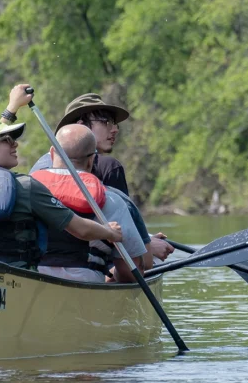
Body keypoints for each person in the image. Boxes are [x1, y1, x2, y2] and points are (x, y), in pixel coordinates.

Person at [0, 93, 123, 270]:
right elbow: (81, 229)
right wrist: (109, 232)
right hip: (21, 279)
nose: (15, 143)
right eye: (6, 140)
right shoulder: (24, 186)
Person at [30, 93, 174, 261]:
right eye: (106, 122)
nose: (115, 129)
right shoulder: (110, 167)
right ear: (81, 125)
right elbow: (123, 229)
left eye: (114, 123)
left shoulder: (39, 168)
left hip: (42, 261)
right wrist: (146, 244)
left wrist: (146, 238)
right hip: (93, 263)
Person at [31, 124, 149, 283]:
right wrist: (113, 278)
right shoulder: (112, 200)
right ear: (92, 159)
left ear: (52, 154)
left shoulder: (26, 190)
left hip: (31, 279)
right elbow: (131, 271)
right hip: (86, 282)